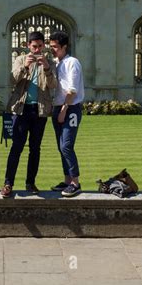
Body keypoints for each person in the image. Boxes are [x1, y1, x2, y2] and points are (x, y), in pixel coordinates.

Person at [1, 31, 57, 198]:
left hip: (40, 110)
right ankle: (8, 183)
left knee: (35, 148)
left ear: (44, 46)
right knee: (16, 147)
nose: (37, 49)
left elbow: (53, 84)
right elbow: (12, 80)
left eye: (40, 46)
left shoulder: (50, 62)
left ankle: (30, 182)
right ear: (28, 46)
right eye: (34, 46)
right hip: (21, 109)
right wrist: (25, 66)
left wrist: (46, 68)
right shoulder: (19, 59)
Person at [49, 30, 84, 197]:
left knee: (66, 146)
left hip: (70, 108)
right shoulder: (57, 62)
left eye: (55, 47)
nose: (52, 50)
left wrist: (63, 110)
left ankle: (76, 183)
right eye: (51, 46)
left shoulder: (72, 63)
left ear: (64, 47)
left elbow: (72, 90)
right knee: (61, 147)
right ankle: (67, 180)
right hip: (58, 107)